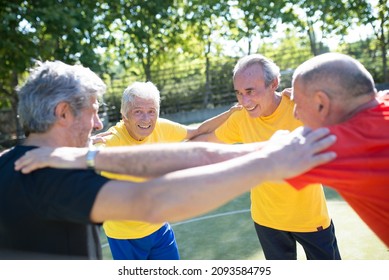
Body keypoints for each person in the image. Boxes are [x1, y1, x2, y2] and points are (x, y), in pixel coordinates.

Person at [0, 60, 336, 259]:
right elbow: (153, 200)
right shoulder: (54, 178)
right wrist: (268, 161)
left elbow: (193, 147)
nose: (98, 124)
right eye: (92, 113)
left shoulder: (9, 163)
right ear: (62, 113)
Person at [192, 54, 341, 260]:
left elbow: (345, 128)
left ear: (274, 84)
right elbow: (202, 142)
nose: (245, 101)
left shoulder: (300, 108)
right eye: (239, 93)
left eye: (251, 91)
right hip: (267, 222)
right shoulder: (240, 119)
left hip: (310, 219)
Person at [97, 81, 240, 260]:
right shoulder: (111, 141)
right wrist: (82, 144)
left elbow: (198, 131)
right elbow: (71, 161)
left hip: (158, 227)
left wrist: (231, 113)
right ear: (125, 115)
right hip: (125, 236)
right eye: (138, 112)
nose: (146, 119)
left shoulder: (161, 127)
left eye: (151, 112)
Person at [285, 52, 389, 248]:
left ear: (321, 103)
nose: (296, 114)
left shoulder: (339, 145)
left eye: (297, 103)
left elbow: (257, 160)